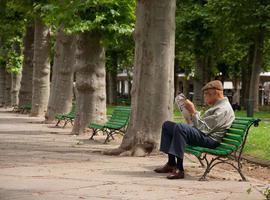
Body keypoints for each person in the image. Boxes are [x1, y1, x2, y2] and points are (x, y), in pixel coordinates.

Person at [154, 80, 235, 179]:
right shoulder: (217, 106)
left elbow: (204, 129)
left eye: (206, 95)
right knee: (167, 125)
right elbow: (203, 125)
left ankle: (179, 169)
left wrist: (193, 111)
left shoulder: (223, 109)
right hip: (204, 134)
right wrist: (189, 115)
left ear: (215, 94)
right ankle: (171, 163)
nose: (204, 97)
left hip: (210, 139)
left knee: (180, 128)